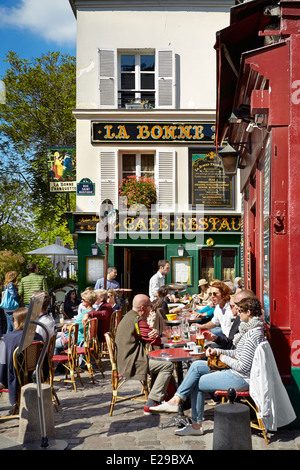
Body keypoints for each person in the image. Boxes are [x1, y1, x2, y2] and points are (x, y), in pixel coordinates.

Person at [151, 297, 266, 436]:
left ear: (248, 312)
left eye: (241, 311)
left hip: (240, 378)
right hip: (236, 372)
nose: (238, 313)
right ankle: (177, 399)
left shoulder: (252, 334)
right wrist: (218, 351)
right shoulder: (250, 329)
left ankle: (195, 425)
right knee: (197, 366)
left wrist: (222, 357)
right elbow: (238, 352)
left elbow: (243, 366)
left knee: (197, 381)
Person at [115, 294, 174, 415]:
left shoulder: (129, 316)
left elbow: (151, 335)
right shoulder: (138, 320)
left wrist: (155, 333)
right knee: (167, 365)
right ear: (142, 308)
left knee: (162, 362)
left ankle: (164, 396)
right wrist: (159, 335)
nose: (151, 309)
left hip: (124, 358)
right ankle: (152, 402)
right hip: (131, 361)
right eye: (150, 306)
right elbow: (155, 340)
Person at [0, 307, 44, 407]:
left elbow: (2, 364)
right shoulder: (37, 337)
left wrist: (2, 379)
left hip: (16, 376)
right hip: (34, 374)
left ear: (16, 320)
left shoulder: (8, 339)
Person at [55, 290, 98, 354]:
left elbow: (75, 327)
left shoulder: (86, 313)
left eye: (83, 299)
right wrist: (67, 325)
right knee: (55, 335)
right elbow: (77, 324)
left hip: (77, 338)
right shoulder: (91, 311)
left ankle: (56, 362)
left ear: (90, 301)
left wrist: (67, 326)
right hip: (80, 336)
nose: (81, 301)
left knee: (53, 343)